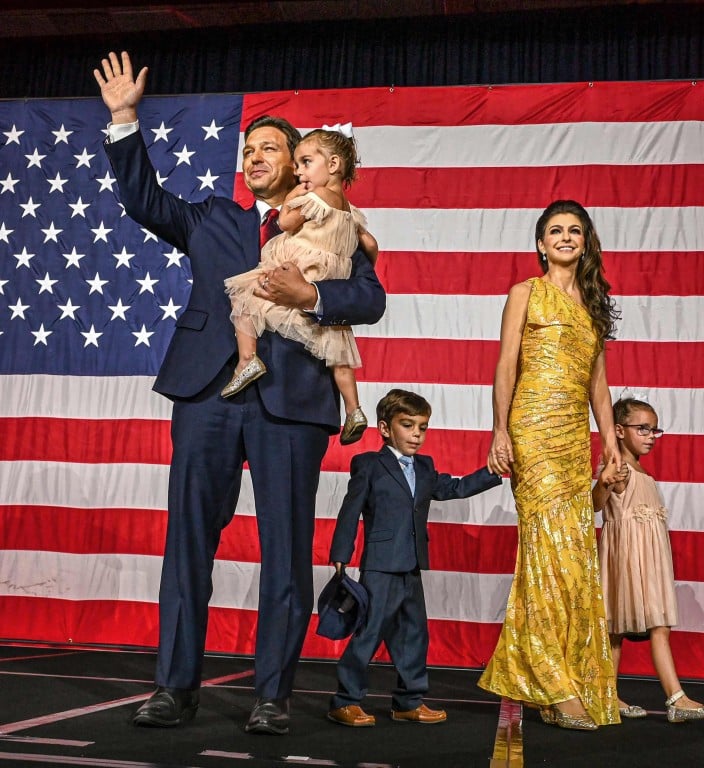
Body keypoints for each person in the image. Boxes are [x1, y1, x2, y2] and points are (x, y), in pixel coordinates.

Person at [93, 51, 386, 734]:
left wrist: (313, 295)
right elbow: (143, 199)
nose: (255, 156)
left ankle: (271, 697)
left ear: (300, 163)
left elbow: (370, 299)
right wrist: (124, 119)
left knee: (285, 550)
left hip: (293, 401)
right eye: (248, 149)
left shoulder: (335, 220)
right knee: (188, 542)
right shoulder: (214, 218)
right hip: (208, 395)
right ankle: (174, 688)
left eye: (270, 148)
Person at [478, 200, 622, 733]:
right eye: (555, 231)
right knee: (546, 551)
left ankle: (573, 678)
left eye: (574, 231)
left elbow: (598, 385)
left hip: (573, 440)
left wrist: (610, 441)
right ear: (541, 244)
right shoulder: (525, 292)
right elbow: (506, 364)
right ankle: (552, 685)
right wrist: (499, 430)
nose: (565, 237)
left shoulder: (593, 305)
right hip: (533, 433)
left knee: (575, 557)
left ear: (585, 242)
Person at [326, 389, 502, 727]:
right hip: (380, 565)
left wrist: (493, 471)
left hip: (412, 564)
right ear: (385, 428)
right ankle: (345, 701)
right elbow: (350, 510)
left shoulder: (425, 467)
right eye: (407, 425)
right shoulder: (369, 464)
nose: (416, 434)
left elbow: (455, 488)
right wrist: (341, 554)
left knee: (413, 633)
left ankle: (408, 701)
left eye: (422, 427)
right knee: (369, 632)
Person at [221, 126, 376, 445]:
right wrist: (347, 266)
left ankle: (248, 360)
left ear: (332, 165)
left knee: (246, 295)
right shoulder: (350, 211)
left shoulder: (314, 197)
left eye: (306, 162)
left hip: (299, 265)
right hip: (329, 274)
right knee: (338, 350)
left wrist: (292, 199)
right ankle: (354, 409)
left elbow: (286, 222)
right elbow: (370, 244)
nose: (299, 171)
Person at [593, 397, 704, 723]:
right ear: (619, 430)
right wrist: (604, 481)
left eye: (654, 430)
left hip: (648, 556)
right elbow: (595, 504)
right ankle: (676, 699)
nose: (651, 436)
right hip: (628, 556)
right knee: (647, 627)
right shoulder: (619, 468)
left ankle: (608, 696)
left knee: (623, 630)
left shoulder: (638, 469)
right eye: (643, 429)